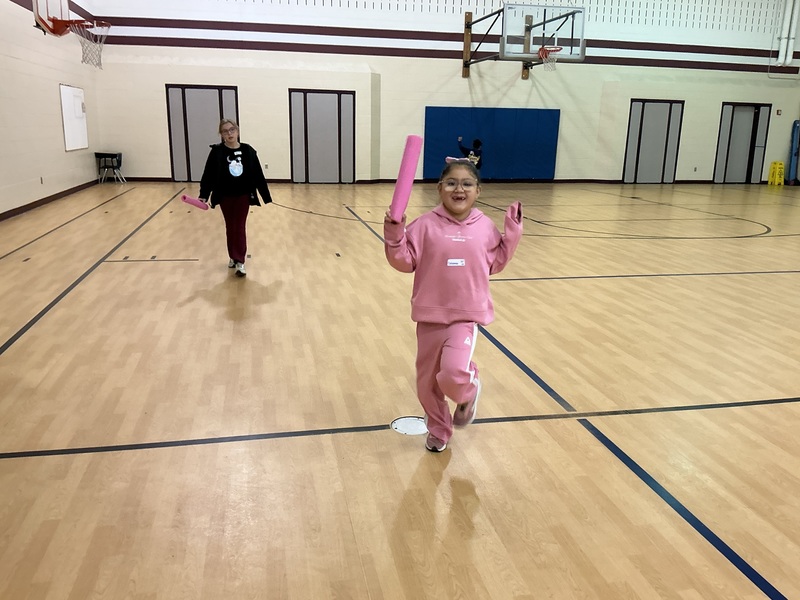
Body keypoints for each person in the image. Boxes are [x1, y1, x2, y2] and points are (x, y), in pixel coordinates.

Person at [384, 160, 523, 452]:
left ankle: (468, 391)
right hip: (430, 317)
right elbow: (403, 261)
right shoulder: (424, 226)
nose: (459, 189)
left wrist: (512, 234)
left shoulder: (484, 227)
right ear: (439, 188)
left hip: (465, 316)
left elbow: (495, 263)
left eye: (467, 184)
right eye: (451, 183)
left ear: (477, 191)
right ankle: (439, 429)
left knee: (452, 373)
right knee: (427, 385)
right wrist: (395, 232)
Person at [199, 118, 272, 277]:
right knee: (230, 226)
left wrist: (265, 195)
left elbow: (257, 174)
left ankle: (240, 261)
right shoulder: (217, 152)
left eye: (232, 130)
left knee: (239, 226)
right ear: (221, 134)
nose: (229, 133)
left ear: (237, 131)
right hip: (225, 196)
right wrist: (204, 194)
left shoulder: (248, 151)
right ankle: (233, 256)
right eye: (225, 131)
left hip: (243, 196)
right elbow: (208, 174)